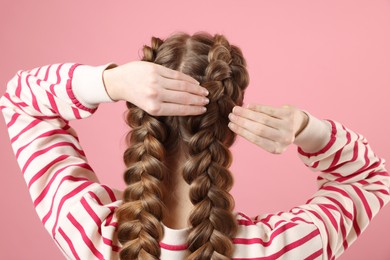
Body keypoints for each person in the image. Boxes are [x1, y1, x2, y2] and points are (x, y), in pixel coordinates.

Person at [0, 32, 389, 260]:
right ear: (227, 131)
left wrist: (111, 82)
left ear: (140, 119)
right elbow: (370, 179)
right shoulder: (283, 248)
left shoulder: (90, 233)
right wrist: (307, 128)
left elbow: (20, 101)